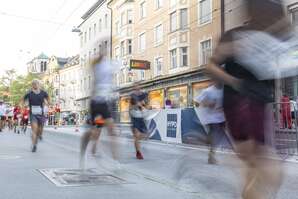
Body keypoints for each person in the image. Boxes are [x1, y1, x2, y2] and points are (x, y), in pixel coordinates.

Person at [206, 0, 287, 198]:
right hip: (240, 103)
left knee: (254, 166)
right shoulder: (235, 36)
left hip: (259, 103)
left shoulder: (272, 37)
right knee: (261, 164)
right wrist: (234, 81)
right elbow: (211, 66)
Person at [80, 47, 120, 169]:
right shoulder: (96, 66)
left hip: (106, 103)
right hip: (96, 102)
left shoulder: (108, 64)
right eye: (102, 51)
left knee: (112, 131)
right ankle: (84, 154)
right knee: (93, 131)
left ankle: (115, 162)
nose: (104, 52)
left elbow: (115, 69)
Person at [194, 83, 226, 164]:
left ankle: (210, 154)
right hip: (211, 119)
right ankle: (211, 156)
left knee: (217, 138)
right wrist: (207, 104)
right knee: (214, 137)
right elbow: (196, 103)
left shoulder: (225, 90)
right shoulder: (208, 91)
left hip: (222, 118)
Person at [21, 80, 50, 152]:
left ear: (39, 85)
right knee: (34, 130)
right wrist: (23, 105)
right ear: (32, 85)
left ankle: (39, 136)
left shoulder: (43, 93)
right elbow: (22, 99)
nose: (35, 85)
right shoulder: (29, 93)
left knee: (40, 130)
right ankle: (34, 145)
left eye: (36, 84)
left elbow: (48, 97)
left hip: (41, 114)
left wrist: (48, 103)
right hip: (33, 114)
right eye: (33, 84)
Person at [129, 85, 149, 160]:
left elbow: (146, 107)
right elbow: (130, 108)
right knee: (137, 135)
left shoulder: (143, 98)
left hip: (141, 119)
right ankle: (138, 152)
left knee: (146, 136)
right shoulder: (132, 98)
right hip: (135, 118)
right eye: (135, 89)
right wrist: (136, 106)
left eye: (138, 89)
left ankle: (136, 140)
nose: (137, 91)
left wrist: (143, 106)